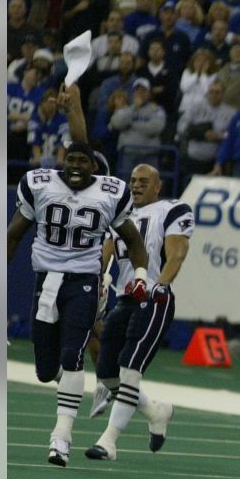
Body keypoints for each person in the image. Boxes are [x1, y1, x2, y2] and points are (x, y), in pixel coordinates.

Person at [7, 141, 150, 467]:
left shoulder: (110, 192)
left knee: (73, 355)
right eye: (69, 159)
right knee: (45, 370)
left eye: (82, 161)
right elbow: (13, 234)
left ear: (94, 167)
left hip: (83, 282)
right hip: (46, 280)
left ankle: (61, 438)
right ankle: (72, 392)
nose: (74, 165)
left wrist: (140, 276)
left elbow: (134, 242)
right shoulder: (41, 185)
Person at [84, 164, 188, 459]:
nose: (137, 185)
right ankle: (155, 412)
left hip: (154, 297)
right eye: (132, 181)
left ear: (158, 187)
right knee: (107, 373)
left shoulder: (172, 209)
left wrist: (161, 284)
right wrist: (100, 279)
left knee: (130, 369)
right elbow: (104, 252)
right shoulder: (120, 213)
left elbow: (178, 252)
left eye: (144, 181)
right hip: (126, 297)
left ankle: (108, 441)